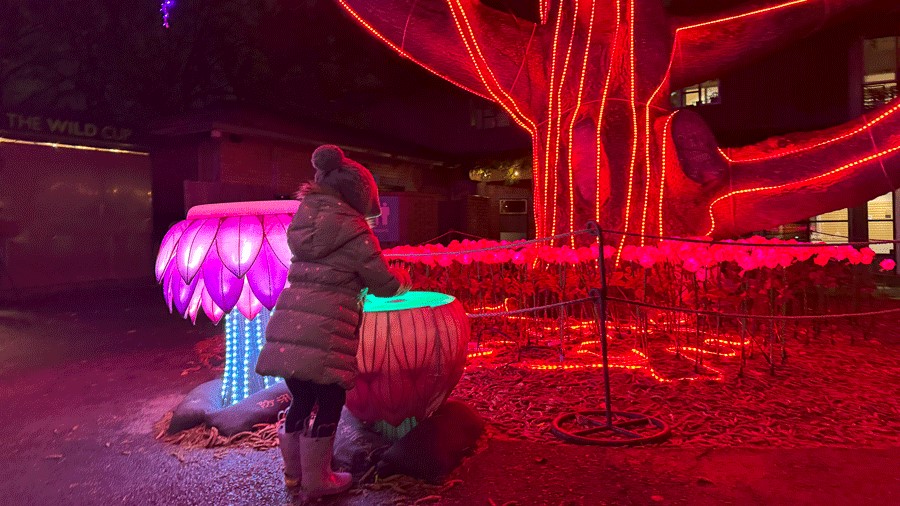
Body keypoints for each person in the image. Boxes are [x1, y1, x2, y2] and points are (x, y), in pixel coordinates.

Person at [256, 144, 411, 498]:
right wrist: (401, 276)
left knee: (300, 399)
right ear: (358, 195)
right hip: (327, 327)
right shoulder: (355, 231)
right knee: (329, 402)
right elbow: (384, 286)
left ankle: (294, 475)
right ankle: (319, 479)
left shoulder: (303, 221)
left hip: (290, 322)